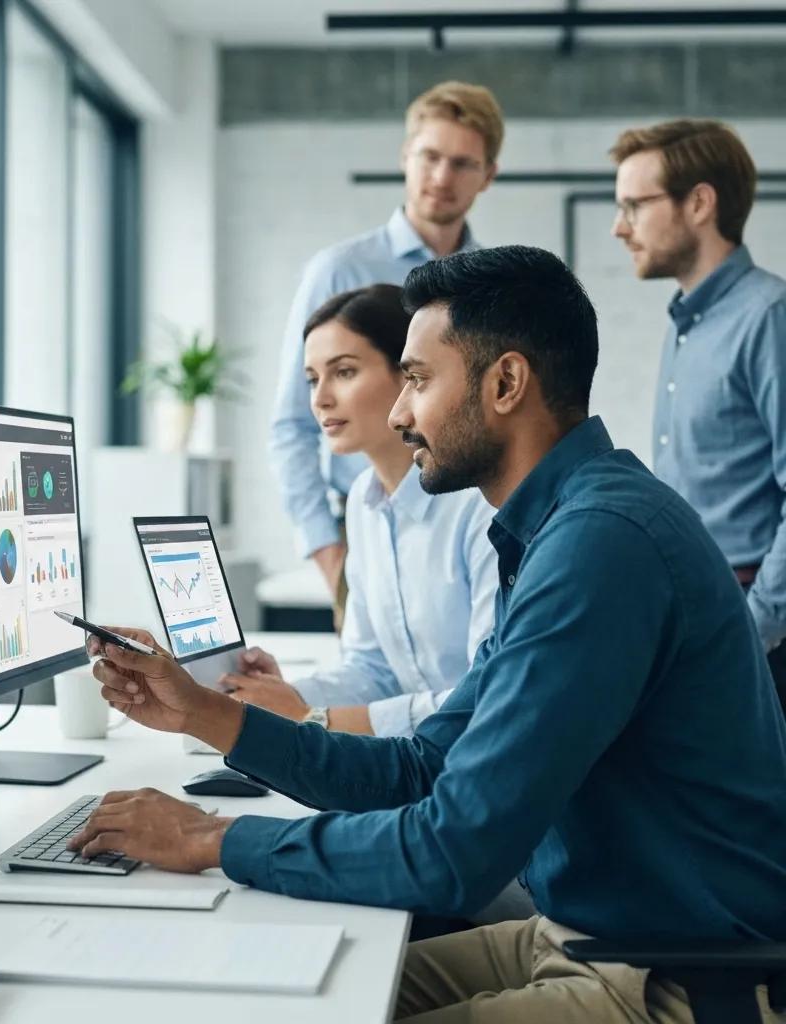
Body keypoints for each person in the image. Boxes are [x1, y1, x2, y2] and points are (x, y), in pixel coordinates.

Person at [74, 246, 786, 1023]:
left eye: (416, 379)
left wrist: (210, 839)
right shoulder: (559, 529)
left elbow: (454, 853)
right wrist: (200, 713)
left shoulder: (600, 544)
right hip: (583, 935)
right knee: (259, 996)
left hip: (676, 977)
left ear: (505, 383)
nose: (399, 413)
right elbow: (425, 765)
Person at [224, 283, 497, 738]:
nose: (320, 399)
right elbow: (374, 671)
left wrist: (311, 718)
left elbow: (485, 699)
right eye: (313, 379)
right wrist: (280, 694)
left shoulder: (480, 506)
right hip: (418, 760)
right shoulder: (363, 505)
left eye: (344, 372)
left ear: (409, 376)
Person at [270, 81, 503, 600]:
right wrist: (330, 555)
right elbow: (292, 423)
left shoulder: (490, 285)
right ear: (405, 157)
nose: (442, 177)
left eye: (463, 163)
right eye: (430, 156)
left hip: (465, 525)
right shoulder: (339, 271)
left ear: (488, 175)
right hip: (364, 522)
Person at [610, 119, 786, 713]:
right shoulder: (688, 325)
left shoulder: (768, 316)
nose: (619, 227)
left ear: (700, 203)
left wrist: (754, 629)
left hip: (758, 630)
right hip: (704, 614)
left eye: (634, 205)